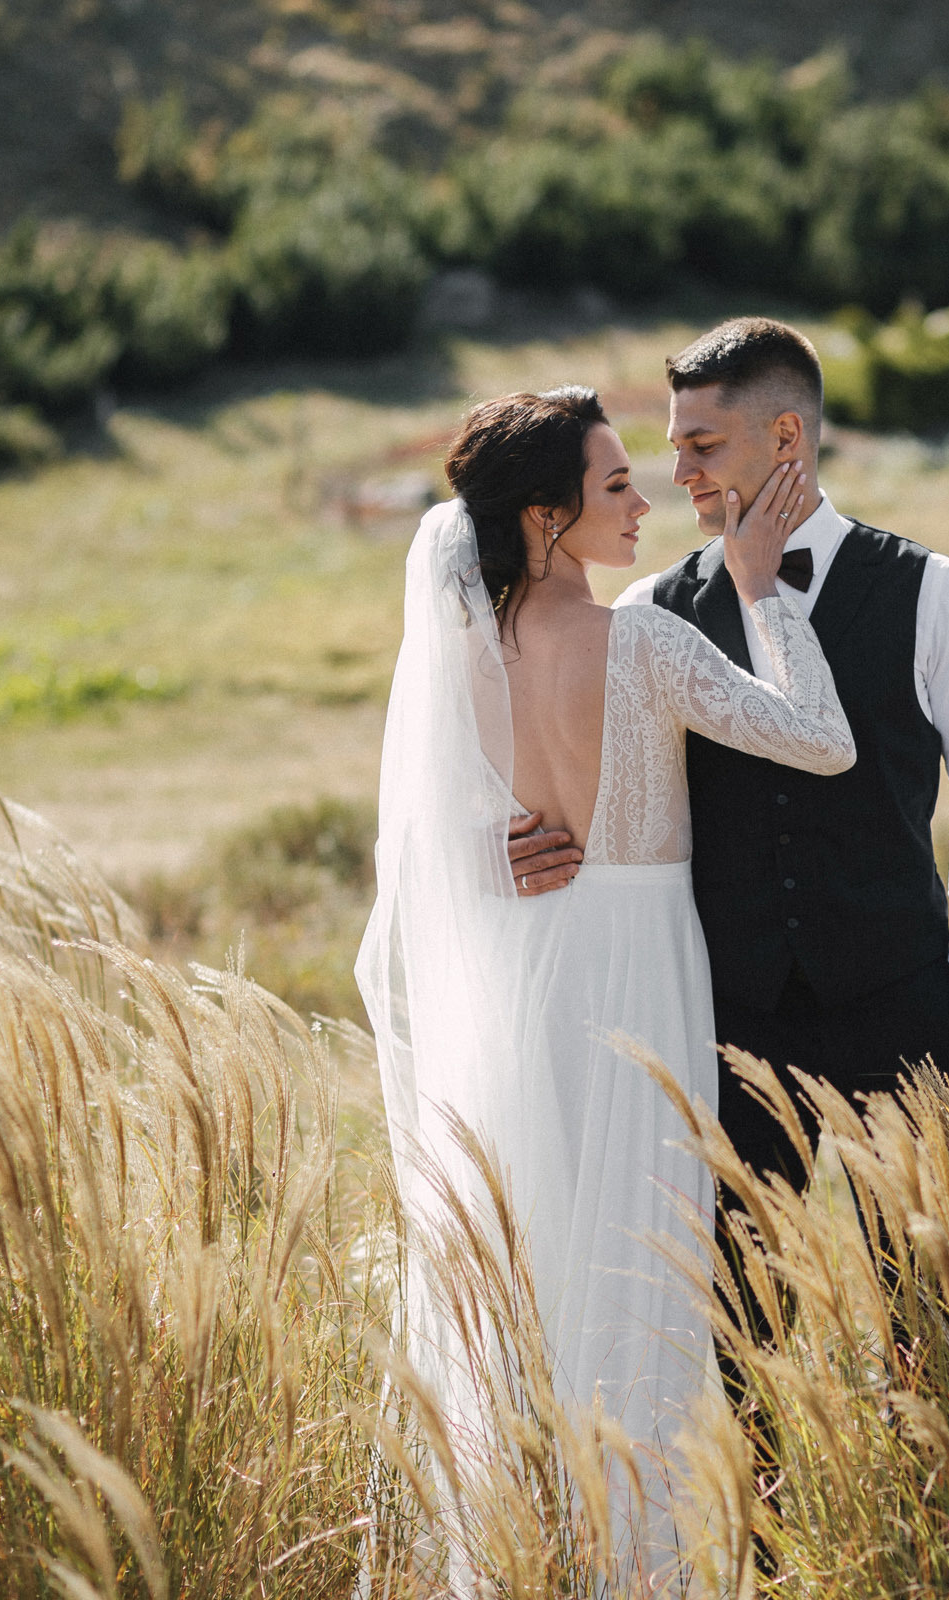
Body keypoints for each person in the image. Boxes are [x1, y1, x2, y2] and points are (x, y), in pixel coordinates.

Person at [357, 385, 854, 1590]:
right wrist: (755, 583)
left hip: (529, 982)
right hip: (637, 976)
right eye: (616, 485)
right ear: (544, 518)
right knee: (641, 1271)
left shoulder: (469, 661)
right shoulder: (646, 638)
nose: (644, 506)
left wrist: (492, 853)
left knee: (540, 1265)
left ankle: (531, 1554)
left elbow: (434, 844)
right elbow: (823, 737)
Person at [570, 316, 949, 1458]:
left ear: (788, 437)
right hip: (727, 1032)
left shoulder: (934, 593)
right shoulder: (649, 618)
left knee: (932, 1322)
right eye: (670, 446)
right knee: (739, 1336)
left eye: (703, 445)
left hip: (905, 1011)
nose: (676, 472)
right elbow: (615, 805)